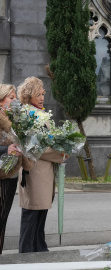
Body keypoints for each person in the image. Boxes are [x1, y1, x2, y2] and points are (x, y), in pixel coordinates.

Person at [17, 77, 67, 253]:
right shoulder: (28, 114)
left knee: (40, 213)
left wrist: (62, 145)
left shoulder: (39, 112)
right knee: (32, 213)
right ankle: (27, 253)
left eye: (43, 94)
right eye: (38, 94)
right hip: (35, 170)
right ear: (29, 95)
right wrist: (60, 153)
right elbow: (35, 146)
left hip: (44, 171)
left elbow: (46, 141)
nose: (42, 97)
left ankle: (38, 249)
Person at [0, 84, 22, 254]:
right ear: (1, 101)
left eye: (16, 98)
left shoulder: (13, 120)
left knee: (3, 218)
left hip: (10, 175)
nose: (15, 101)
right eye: (11, 98)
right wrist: (5, 150)